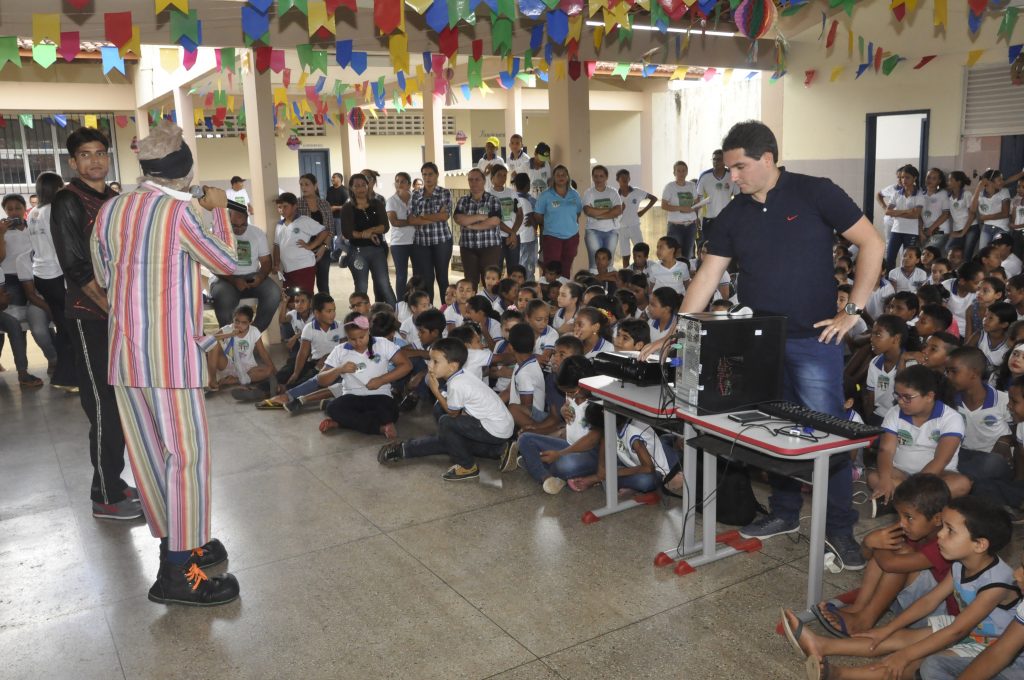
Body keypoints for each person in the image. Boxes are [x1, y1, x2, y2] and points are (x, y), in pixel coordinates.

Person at [642, 120, 885, 569]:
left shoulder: (815, 192)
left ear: (768, 158)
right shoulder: (734, 213)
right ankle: (785, 512)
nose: (731, 176)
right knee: (774, 430)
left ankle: (838, 528)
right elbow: (708, 275)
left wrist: (852, 310)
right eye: (728, 168)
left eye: (740, 167)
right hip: (759, 342)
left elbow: (872, 242)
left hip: (814, 338)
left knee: (827, 436)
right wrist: (676, 331)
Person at [91, 120, 239, 605]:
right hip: (171, 360)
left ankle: (180, 541)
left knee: (152, 457)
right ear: (185, 171)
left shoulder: (111, 209)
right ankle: (178, 572)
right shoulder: (179, 215)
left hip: (125, 356)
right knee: (187, 459)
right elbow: (229, 263)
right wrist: (217, 211)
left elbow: (103, 276)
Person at [784, 496, 1018, 680]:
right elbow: (930, 600)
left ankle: (840, 674)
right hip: (966, 627)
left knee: (915, 662)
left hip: (991, 642)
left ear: (980, 545)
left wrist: (905, 655)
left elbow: (957, 631)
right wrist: (888, 628)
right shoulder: (960, 563)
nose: (940, 535)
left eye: (950, 530)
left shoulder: (997, 583)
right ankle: (822, 645)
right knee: (898, 637)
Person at [50, 127, 141, 520]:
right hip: (90, 318)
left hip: (117, 314)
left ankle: (113, 481)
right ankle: (104, 496)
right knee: (102, 405)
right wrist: (112, 308)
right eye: (85, 154)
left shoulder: (113, 199)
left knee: (121, 403)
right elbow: (75, 266)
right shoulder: (68, 200)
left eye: (100, 152)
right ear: (73, 162)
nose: (94, 160)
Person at [813, 473, 951, 638]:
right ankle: (859, 608)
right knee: (888, 550)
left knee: (897, 553)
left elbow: (890, 565)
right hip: (903, 603)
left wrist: (875, 543)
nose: (901, 523)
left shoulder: (943, 544)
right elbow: (866, 555)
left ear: (937, 519)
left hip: (934, 615)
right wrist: (868, 543)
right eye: (899, 515)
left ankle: (865, 620)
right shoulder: (911, 529)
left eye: (908, 517)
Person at [377, 337, 515, 481]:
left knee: (446, 422)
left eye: (435, 362)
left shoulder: (457, 384)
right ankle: (500, 450)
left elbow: (452, 413)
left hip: (494, 428)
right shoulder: (461, 376)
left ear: (452, 366)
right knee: (453, 440)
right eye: (430, 360)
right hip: (499, 426)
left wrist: (435, 390)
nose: (430, 366)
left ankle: (467, 466)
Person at [514, 356, 601, 493]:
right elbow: (569, 408)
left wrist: (560, 454)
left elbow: (592, 441)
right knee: (525, 438)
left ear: (584, 385)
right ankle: (546, 477)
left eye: (571, 392)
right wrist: (562, 410)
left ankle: (534, 465)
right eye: (565, 392)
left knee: (564, 465)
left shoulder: (597, 404)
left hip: (590, 453)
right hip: (568, 444)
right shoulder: (571, 393)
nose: (568, 395)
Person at [318, 314, 412, 440]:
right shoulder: (339, 350)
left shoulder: (382, 343)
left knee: (390, 412)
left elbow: (406, 365)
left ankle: (343, 423)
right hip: (352, 397)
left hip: (380, 396)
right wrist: (339, 369)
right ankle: (380, 428)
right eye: (352, 339)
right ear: (346, 335)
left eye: (361, 337)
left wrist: (381, 380)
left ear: (368, 331)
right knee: (333, 408)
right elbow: (321, 380)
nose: (358, 342)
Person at [27, 172, 77, 390]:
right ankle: (70, 378)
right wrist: (69, 281)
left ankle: (62, 376)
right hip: (57, 275)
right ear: (55, 188)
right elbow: (59, 246)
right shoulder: (52, 211)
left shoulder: (34, 212)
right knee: (70, 328)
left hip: (41, 275)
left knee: (62, 326)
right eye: (61, 186)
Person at [210, 208, 279, 332]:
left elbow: (266, 261)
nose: (239, 229)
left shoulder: (257, 233)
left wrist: (261, 276)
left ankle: (252, 335)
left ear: (247, 219)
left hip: (252, 276)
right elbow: (212, 265)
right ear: (227, 220)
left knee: (274, 293)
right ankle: (229, 336)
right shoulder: (216, 233)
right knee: (224, 298)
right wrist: (234, 280)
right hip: (224, 278)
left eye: (243, 225)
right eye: (235, 226)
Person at [340, 173, 397, 306]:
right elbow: (347, 232)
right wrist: (362, 235)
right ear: (351, 188)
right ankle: (360, 317)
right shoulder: (347, 208)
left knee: (384, 285)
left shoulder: (377, 204)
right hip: (357, 253)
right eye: (357, 186)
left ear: (368, 186)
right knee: (361, 287)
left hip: (377, 251)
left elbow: (385, 226)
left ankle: (396, 315)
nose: (361, 189)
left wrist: (370, 231)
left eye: (363, 185)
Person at [407, 162, 453, 304]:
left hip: (442, 241)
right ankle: (428, 309)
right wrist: (435, 216)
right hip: (421, 243)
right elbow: (411, 220)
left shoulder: (444, 193)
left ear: (437, 175)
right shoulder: (415, 195)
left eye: (430, 174)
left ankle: (446, 309)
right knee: (426, 280)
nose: (427, 177)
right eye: (424, 174)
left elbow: (444, 216)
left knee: (442, 277)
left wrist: (421, 216)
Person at [453, 168, 504, 288]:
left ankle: (491, 301)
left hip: (490, 247)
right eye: (471, 179)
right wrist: (482, 217)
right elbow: (459, 219)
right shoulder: (463, 201)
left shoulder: (493, 200)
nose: (474, 182)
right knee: (470, 283)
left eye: (477, 179)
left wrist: (471, 225)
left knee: (490, 282)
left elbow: (495, 221)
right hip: (468, 248)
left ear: (484, 181)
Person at [206, 305, 274, 392]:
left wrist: (273, 370)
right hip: (228, 364)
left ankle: (235, 380)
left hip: (248, 368)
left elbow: (263, 353)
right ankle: (212, 380)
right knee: (213, 343)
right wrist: (230, 334)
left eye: (244, 323)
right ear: (233, 319)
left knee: (268, 370)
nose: (239, 325)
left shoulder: (254, 331)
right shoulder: (228, 329)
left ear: (250, 322)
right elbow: (210, 340)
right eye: (237, 321)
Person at [535, 165, 583, 280]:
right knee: (551, 268)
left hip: (571, 237)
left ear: (568, 177)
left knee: (566, 268)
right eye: (558, 175)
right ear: (553, 177)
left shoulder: (574, 194)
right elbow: (538, 215)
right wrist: (551, 222)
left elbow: (577, 213)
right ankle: (548, 290)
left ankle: (564, 289)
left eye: (563, 175)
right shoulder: (545, 195)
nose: (561, 177)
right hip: (552, 237)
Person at [273, 192, 325, 294]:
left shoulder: (304, 220)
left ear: (294, 206)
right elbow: (276, 245)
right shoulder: (279, 225)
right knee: (290, 298)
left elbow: (324, 231)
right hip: (288, 270)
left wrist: (311, 246)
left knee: (305, 297)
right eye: (279, 207)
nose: (282, 210)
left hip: (304, 267)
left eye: (285, 206)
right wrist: (276, 263)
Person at [296, 173, 334, 295]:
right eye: (301, 185)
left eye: (307, 184)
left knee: (323, 284)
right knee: (306, 285)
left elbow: (330, 229)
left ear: (315, 186)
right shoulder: (297, 204)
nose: (303, 187)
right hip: (303, 249)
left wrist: (324, 246)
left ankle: (324, 306)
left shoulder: (324, 204)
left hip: (323, 248)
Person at [881, 164, 924, 271]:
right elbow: (888, 212)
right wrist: (907, 211)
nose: (904, 180)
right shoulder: (896, 193)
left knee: (908, 259)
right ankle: (889, 278)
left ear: (914, 178)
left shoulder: (919, 194)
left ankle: (905, 278)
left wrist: (896, 213)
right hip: (896, 230)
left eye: (907, 177)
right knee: (890, 257)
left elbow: (915, 215)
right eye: (902, 177)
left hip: (911, 232)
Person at [695, 149, 739, 250]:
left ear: (725, 161)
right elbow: (697, 198)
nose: (716, 162)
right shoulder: (704, 176)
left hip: (726, 219)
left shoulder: (732, 175)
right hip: (708, 219)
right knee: (708, 248)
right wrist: (696, 216)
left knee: (726, 247)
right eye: (714, 159)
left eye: (719, 159)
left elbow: (738, 197)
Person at [582, 165, 624, 270]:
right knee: (594, 263)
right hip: (593, 231)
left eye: (601, 176)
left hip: (611, 231)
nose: (598, 179)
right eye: (596, 176)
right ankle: (594, 281)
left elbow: (618, 210)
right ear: (592, 177)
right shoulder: (588, 193)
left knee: (609, 264)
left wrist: (597, 213)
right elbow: (588, 211)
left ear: (606, 177)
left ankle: (608, 281)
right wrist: (609, 210)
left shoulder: (613, 192)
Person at [615, 169, 657, 270]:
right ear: (617, 180)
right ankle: (626, 275)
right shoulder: (615, 195)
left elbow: (654, 198)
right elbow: (611, 212)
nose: (625, 179)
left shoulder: (637, 192)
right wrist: (620, 210)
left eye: (626, 177)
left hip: (634, 226)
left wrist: (643, 211)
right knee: (625, 256)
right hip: (621, 228)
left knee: (641, 253)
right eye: (622, 178)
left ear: (629, 178)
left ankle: (644, 273)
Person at [661, 161, 702, 261]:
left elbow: (697, 203)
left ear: (687, 172)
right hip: (675, 226)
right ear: (674, 172)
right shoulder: (670, 187)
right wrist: (680, 208)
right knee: (675, 254)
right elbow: (664, 205)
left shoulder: (691, 185)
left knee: (688, 254)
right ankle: (675, 271)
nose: (681, 173)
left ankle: (685, 270)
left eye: (683, 170)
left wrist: (694, 208)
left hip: (691, 225)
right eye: (678, 171)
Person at [488, 164, 523, 275]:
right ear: (492, 177)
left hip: (513, 237)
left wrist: (513, 234)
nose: (502, 178)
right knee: (496, 270)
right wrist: (511, 233)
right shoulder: (488, 195)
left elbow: (520, 215)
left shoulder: (511, 192)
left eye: (504, 175)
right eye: (499, 175)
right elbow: (494, 219)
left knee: (513, 270)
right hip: (496, 238)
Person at [972, 170, 1012, 253]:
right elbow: (972, 209)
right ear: (990, 181)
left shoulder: (1004, 191)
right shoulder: (980, 194)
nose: (1002, 182)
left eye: (1002, 179)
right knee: (983, 252)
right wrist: (978, 187)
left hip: (1001, 228)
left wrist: (986, 217)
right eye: (999, 179)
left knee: (997, 253)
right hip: (986, 228)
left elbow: (1005, 213)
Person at [920, 168, 952, 252]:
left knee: (928, 253)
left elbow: (946, 214)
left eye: (934, 178)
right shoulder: (920, 195)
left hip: (940, 231)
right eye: (928, 177)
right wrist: (921, 232)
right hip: (925, 232)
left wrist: (930, 229)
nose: (930, 180)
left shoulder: (943, 193)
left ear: (939, 181)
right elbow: (919, 215)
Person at [326, 172, 348, 236]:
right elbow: (327, 202)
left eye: (334, 177)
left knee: (339, 237)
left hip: (340, 218)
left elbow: (348, 206)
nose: (332, 179)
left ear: (339, 179)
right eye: (332, 177)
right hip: (330, 217)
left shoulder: (344, 191)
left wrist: (336, 207)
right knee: (329, 236)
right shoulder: (330, 189)